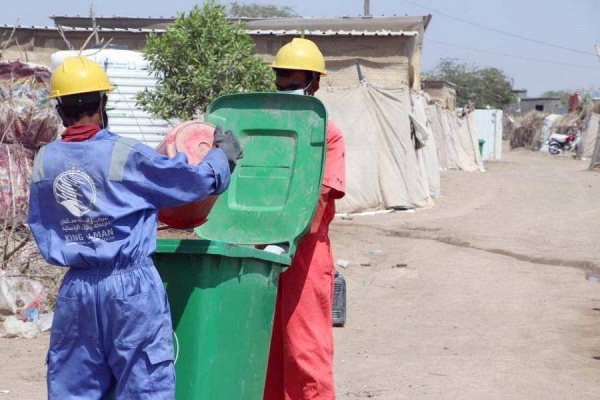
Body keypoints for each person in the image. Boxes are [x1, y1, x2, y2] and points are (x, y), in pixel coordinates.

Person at [27, 55, 242, 399]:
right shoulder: (125, 154)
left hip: (77, 290)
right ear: (102, 103)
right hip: (130, 289)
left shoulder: (44, 161)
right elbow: (193, 182)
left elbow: (41, 224)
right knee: (144, 385)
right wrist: (221, 157)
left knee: (74, 389)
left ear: (59, 110)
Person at [264, 38, 346, 400]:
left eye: (292, 80)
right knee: (263, 351)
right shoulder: (262, 128)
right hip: (257, 250)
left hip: (305, 254)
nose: (284, 87)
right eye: (279, 80)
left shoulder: (328, 134)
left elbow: (323, 194)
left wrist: (286, 237)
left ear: (314, 82)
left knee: (305, 350)